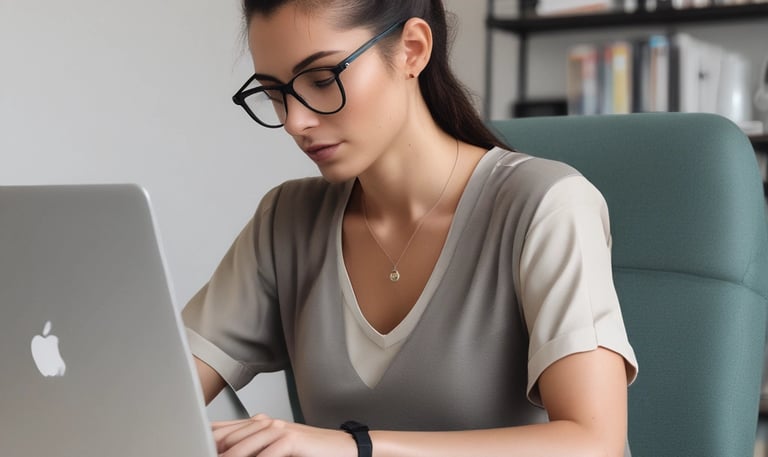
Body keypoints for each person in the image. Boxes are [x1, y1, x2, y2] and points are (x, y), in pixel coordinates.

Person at [182, 1, 639, 456]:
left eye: (322, 80)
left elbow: (594, 441)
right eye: (275, 92)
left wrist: (356, 449)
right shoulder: (287, 222)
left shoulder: (546, 205)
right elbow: (150, 392)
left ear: (413, 50)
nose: (294, 121)